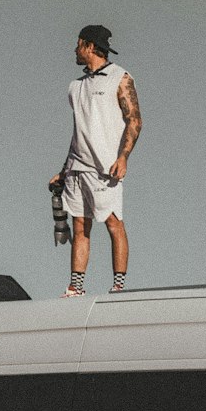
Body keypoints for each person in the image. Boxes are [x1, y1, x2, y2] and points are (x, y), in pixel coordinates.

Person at [49, 24, 141, 296]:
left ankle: (119, 286)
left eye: (78, 44)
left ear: (89, 46)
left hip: (105, 168)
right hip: (78, 167)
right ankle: (76, 287)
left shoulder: (120, 77)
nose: (74, 50)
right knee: (80, 225)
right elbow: (79, 132)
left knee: (113, 222)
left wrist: (123, 157)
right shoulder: (75, 87)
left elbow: (134, 119)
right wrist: (64, 171)